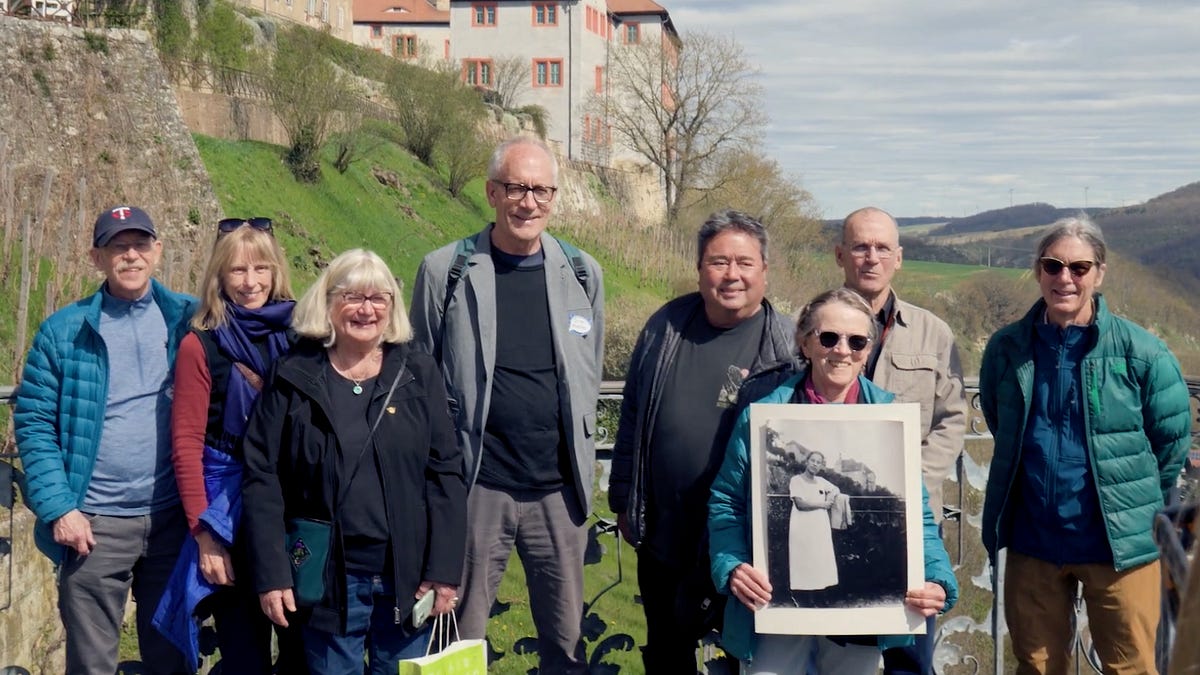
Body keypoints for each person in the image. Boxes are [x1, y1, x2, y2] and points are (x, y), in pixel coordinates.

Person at [410, 136, 605, 673]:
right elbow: (420, 376)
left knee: (566, 646)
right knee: (458, 641)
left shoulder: (583, 273)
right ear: (492, 192)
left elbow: (589, 371)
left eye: (542, 190)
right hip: (478, 486)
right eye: (517, 188)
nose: (529, 202)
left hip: (559, 493)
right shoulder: (444, 271)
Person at [980, 216, 1192, 675]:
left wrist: (1130, 504)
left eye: (1079, 267)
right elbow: (1004, 427)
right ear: (1038, 271)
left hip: (1120, 545)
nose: (1065, 279)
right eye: (1053, 266)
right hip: (1033, 540)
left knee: (1131, 666)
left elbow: (1170, 445)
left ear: (1099, 273)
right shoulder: (1007, 348)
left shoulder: (1143, 353)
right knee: (1036, 666)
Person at [240, 249, 467, 675]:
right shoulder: (293, 375)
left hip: (407, 575)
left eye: (379, 298)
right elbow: (261, 478)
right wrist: (272, 572)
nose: (367, 309)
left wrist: (445, 570)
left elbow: (445, 475)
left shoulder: (418, 373)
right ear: (327, 302)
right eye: (353, 297)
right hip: (327, 579)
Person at [709, 288, 958, 674]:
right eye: (829, 338)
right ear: (805, 343)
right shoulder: (764, 417)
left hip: (860, 615)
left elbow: (914, 516)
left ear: (868, 351)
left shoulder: (889, 420)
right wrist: (733, 565)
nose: (842, 350)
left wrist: (939, 579)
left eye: (857, 341)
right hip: (776, 607)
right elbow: (727, 502)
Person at [608, 209, 795, 672]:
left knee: (745, 659)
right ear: (699, 269)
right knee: (668, 654)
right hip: (666, 532)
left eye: (745, 263)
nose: (732, 274)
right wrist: (623, 497)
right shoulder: (665, 325)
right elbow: (633, 411)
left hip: (744, 545)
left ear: (765, 271)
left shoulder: (790, 345)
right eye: (718, 262)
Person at [14, 205, 197, 675]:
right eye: (118, 246)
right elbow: (34, 421)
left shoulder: (187, 320)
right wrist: (59, 508)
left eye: (140, 245)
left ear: (157, 251)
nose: (130, 256)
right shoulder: (64, 330)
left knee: (173, 658)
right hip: (93, 526)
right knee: (92, 663)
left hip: (171, 519)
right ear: (97, 258)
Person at [152, 219, 306, 673]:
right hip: (230, 516)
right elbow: (186, 445)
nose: (251, 281)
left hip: (292, 511)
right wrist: (205, 536)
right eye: (237, 271)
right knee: (245, 654)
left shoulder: (303, 337)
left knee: (303, 650)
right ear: (219, 278)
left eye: (261, 268)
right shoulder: (200, 346)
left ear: (277, 272)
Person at [835, 206, 967, 674]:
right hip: (829, 517)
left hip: (909, 523)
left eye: (882, 247)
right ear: (840, 254)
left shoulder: (933, 332)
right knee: (827, 647)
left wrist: (912, 482)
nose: (871, 257)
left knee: (908, 655)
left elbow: (952, 418)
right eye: (860, 246)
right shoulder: (813, 327)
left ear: (899, 257)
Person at [789, 451, 839, 594]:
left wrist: (830, 498)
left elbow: (835, 489)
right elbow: (800, 504)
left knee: (819, 557)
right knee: (805, 558)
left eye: (818, 462)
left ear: (821, 466)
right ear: (807, 461)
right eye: (813, 460)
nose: (815, 464)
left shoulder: (822, 481)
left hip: (820, 525)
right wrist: (823, 504)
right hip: (803, 525)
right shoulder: (796, 480)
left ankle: (820, 593)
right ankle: (805, 596)